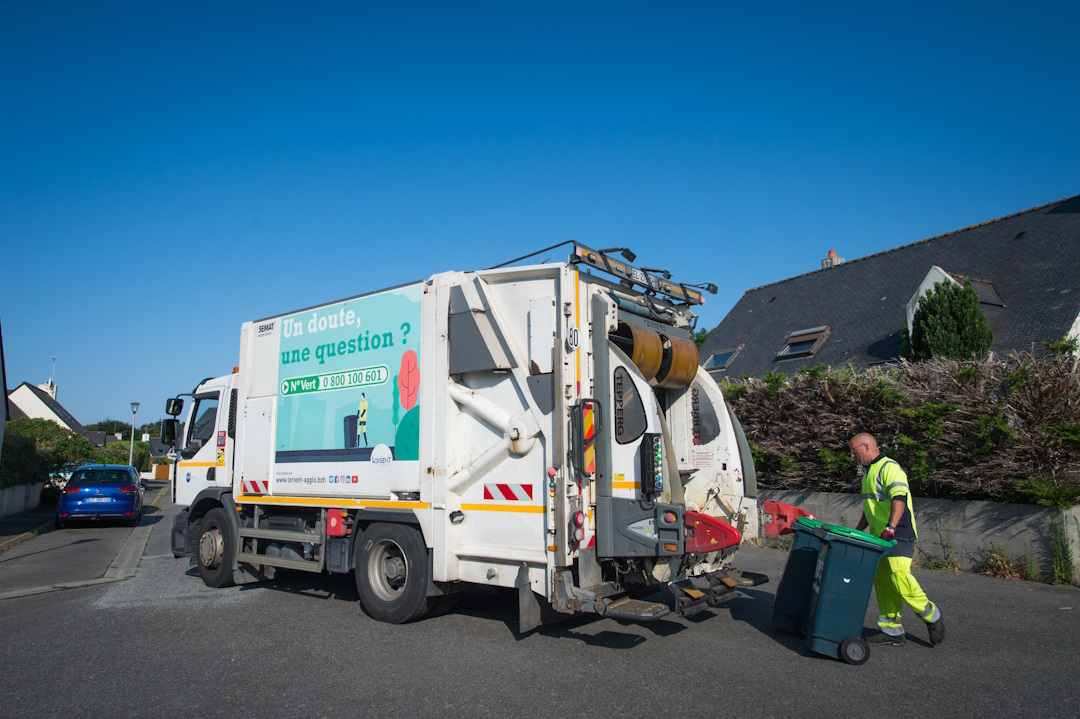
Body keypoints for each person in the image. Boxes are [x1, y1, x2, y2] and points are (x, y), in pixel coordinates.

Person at [850, 432, 945, 647]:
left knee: (899, 576)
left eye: (854, 452)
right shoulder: (868, 474)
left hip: (897, 534)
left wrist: (891, 527)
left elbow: (899, 498)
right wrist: (858, 530)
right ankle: (891, 631)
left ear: (866, 447)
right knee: (883, 582)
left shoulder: (889, 467)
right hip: (878, 538)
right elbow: (870, 508)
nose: (852, 457)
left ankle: (932, 616)